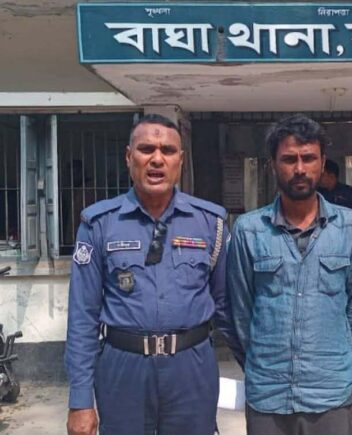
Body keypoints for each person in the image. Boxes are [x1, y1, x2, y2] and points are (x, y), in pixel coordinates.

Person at [65, 114, 240, 435]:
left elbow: (226, 308)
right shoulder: (99, 224)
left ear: (180, 160)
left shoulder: (210, 223)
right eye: (146, 149)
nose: (157, 159)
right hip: (123, 370)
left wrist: (257, 371)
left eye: (168, 151)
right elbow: (82, 317)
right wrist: (80, 401)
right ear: (129, 157)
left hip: (191, 369)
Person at [227, 114, 352, 435]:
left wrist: (341, 361)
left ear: (322, 162)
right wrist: (262, 361)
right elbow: (239, 313)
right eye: (289, 159)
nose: (300, 168)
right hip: (268, 395)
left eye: (309, 158)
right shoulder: (249, 230)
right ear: (273, 165)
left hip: (331, 394)